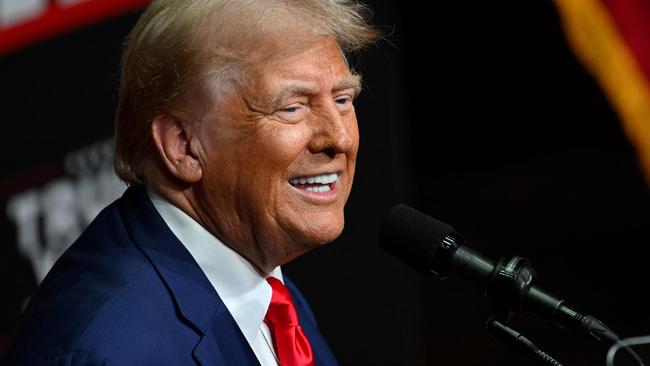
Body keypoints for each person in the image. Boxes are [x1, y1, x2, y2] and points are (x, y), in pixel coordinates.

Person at [2, 0, 378, 365]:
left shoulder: (261, 284)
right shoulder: (108, 350)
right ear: (182, 146)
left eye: (343, 100)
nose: (339, 139)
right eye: (292, 108)